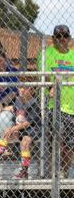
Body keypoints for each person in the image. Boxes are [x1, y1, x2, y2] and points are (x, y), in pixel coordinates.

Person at [41, 24, 74, 174]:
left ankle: (64, 172)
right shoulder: (46, 54)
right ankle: (54, 171)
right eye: (58, 36)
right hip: (54, 105)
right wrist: (50, 88)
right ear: (53, 38)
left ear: (69, 38)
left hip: (72, 107)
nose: (62, 39)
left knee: (70, 145)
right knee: (56, 140)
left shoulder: (73, 55)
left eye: (65, 36)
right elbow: (43, 77)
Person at [5, 82, 41, 179]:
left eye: (25, 88)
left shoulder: (34, 103)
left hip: (33, 128)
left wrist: (13, 128)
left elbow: (28, 123)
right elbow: (13, 109)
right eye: (20, 87)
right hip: (20, 128)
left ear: (31, 90)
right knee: (7, 134)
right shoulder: (18, 101)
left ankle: (24, 170)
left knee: (25, 142)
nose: (21, 90)